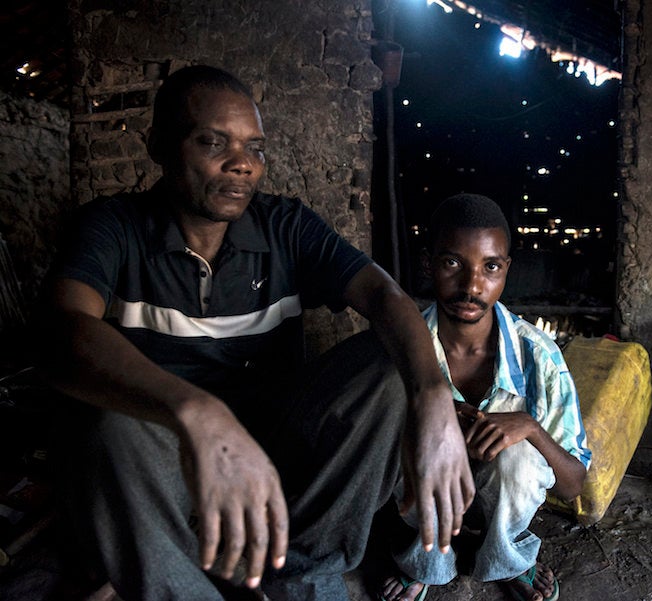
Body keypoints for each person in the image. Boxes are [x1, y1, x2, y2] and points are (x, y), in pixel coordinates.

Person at [39, 65, 474, 601]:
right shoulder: (114, 227)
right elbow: (62, 333)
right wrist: (199, 412)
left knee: (388, 372)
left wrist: (432, 396)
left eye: (255, 148)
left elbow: (384, 296)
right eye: (212, 142)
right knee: (108, 427)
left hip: (277, 449)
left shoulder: (284, 226)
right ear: (158, 146)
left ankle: (300, 571)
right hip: (174, 454)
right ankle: (185, 587)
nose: (242, 163)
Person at [380, 194, 591, 601]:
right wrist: (431, 416)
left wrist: (529, 428)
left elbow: (573, 485)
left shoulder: (538, 355)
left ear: (506, 270)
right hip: (422, 504)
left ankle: (508, 556)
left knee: (519, 450)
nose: (472, 285)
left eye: (490, 266)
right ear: (428, 264)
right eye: (452, 263)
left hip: (503, 503)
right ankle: (427, 559)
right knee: (410, 428)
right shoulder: (400, 347)